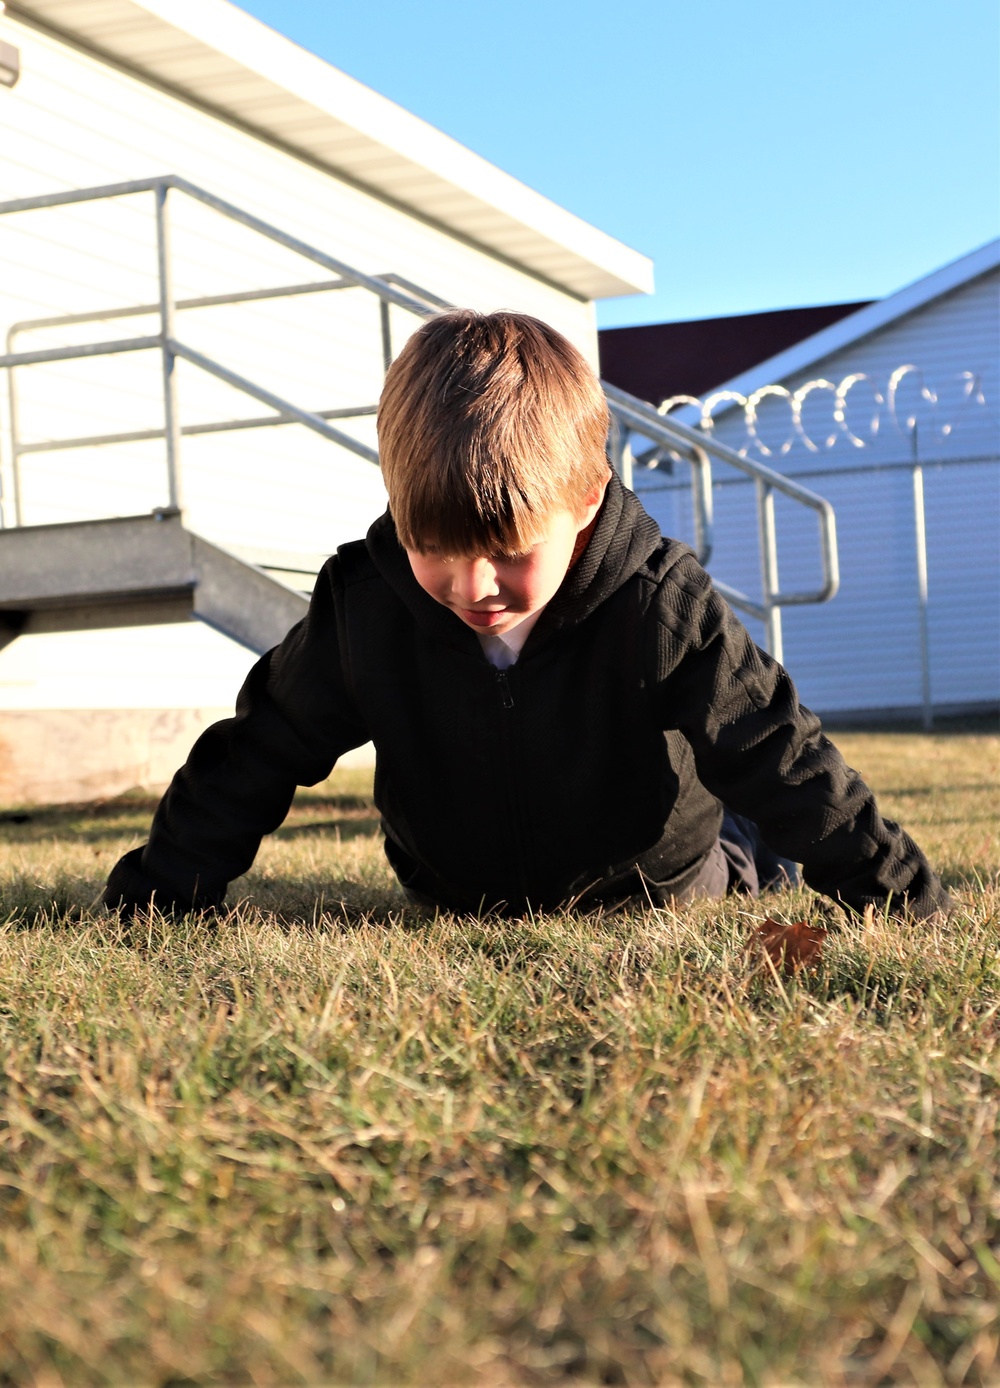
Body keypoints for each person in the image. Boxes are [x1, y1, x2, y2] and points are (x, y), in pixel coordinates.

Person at [104, 310, 950, 921]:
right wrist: (159, 895)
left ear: (587, 503)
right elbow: (259, 748)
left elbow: (776, 749)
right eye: (432, 545)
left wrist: (904, 900)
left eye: (509, 551)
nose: (473, 586)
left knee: (742, 820)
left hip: (655, 887)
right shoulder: (364, 605)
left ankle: (746, 852)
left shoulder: (656, 599)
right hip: (456, 894)